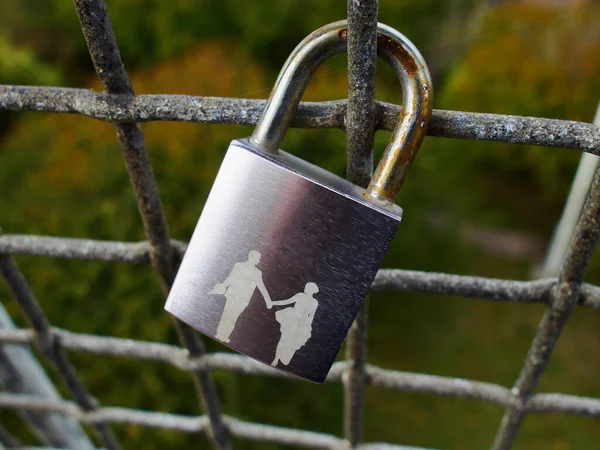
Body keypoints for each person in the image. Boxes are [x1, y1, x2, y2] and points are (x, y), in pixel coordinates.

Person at [211, 250, 272, 343]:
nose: (258, 261)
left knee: (230, 317)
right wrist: (223, 286)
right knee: (228, 316)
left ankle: (223, 335)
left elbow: (261, 287)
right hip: (237, 297)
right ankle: (221, 334)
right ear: (253, 258)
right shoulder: (244, 268)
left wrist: (268, 300)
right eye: (258, 259)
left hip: (238, 297)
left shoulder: (249, 269)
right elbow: (231, 278)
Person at [270, 282, 319, 367]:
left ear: (310, 290)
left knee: (293, 344)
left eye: (306, 287)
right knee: (284, 338)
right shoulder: (300, 296)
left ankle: (285, 358)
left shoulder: (315, 302)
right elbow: (286, 302)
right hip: (292, 320)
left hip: (302, 325)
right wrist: (273, 302)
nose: (304, 289)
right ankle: (276, 359)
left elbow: (311, 316)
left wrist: (307, 328)